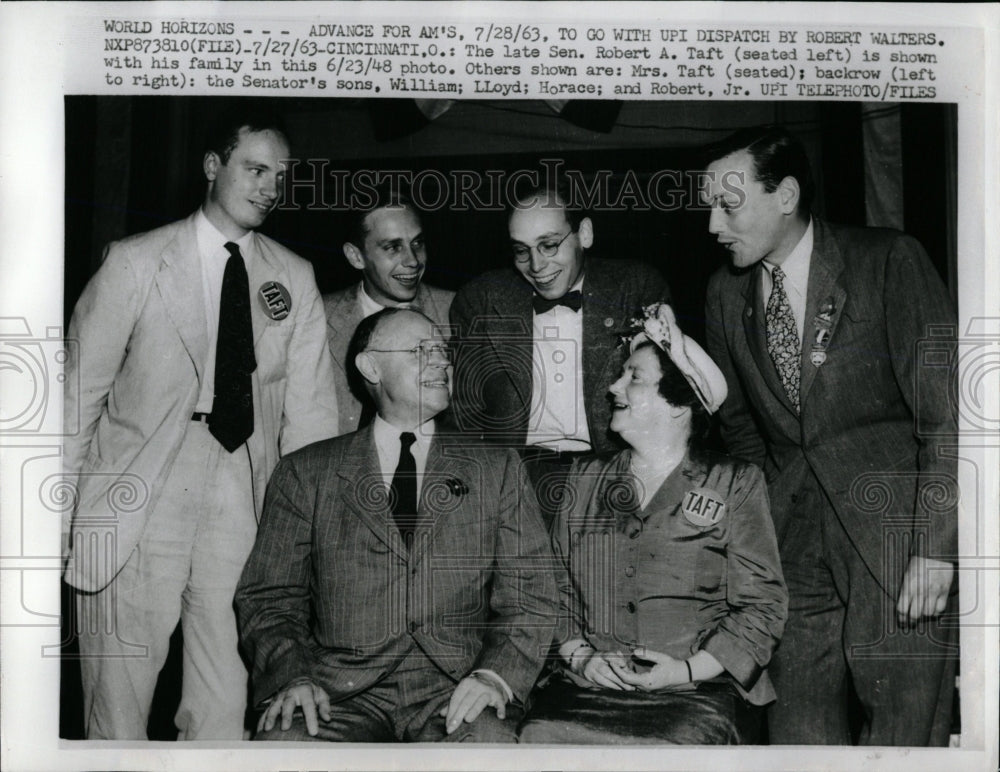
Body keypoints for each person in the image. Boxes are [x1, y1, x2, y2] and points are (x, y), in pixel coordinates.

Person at [62, 107, 339, 739]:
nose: (270, 187)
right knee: (120, 699)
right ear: (213, 167)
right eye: (255, 169)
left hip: (243, 489)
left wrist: (311, 539)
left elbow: (312, 421)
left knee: (224, 699)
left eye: (280, 175)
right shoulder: (136, 262)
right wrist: (53, 525)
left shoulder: (293, 276)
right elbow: (75, 405)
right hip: (138, 487)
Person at [701, 125, 958, 745]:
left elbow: (951, 418)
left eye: (728, 204)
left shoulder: (889, 260)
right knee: (797, 732)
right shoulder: (722, 292)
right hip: (792, 547)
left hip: (895, 537)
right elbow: (740, 433)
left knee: (903, 732)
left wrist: (937, 546)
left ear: (785, 194)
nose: (713, 224)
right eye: (709, 205)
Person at [235, 308, 557, 743]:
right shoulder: (305, 473)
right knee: (284, 748)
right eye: (421, 352)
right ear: (370, 366)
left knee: (489, 751)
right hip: (339, 694)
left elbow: (531, 595)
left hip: (456, 689)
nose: (442, 362)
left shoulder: (495, 469)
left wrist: (494, 676)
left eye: (443, 351)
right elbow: (270, 597)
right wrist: (292, 677)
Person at [519, 303, 787, 744]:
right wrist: (583, 657)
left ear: (680, 406)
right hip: (589, 687)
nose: (613, 386)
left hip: (696, 691)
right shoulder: (584, 478)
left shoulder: (735, 482)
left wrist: (684, 671)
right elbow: (550, 590)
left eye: (634, 377)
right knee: (539, 735)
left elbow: (762, 606)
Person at [450, 179, 670, 527]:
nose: (536, 266)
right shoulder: (481, 300)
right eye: (522, 251)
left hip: (612, 474)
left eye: (549, 245)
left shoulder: (635, 286)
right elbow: (466, 417)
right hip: (515, 481)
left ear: (584, 234)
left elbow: (664, 407)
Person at [324, 188, 454, 433]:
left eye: (417, 243)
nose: (413, 261)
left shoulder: (456, 310)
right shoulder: (318, 316)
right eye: (393, 247)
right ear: (355, 256)